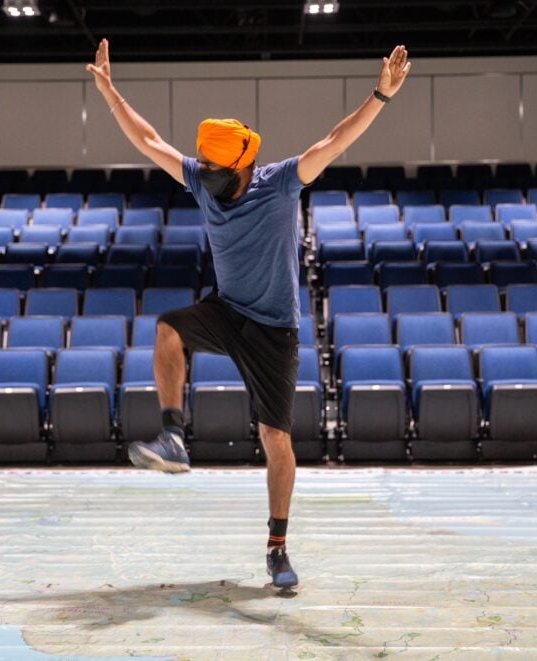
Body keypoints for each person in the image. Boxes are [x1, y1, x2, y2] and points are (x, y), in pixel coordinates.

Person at [86, 39, 411, 589]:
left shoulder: (281, 182)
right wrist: (111, 94)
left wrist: (381, 95)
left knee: (275, 439)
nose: (201, 170)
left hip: (274, 330)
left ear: (240, 162)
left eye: (212, 164)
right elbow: (149, 141)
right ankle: (173, 437)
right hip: (226, 309)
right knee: (168, 328)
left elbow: (334, 140)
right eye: (202, 162)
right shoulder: (203, 182)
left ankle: (277, 548)